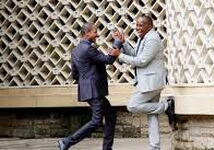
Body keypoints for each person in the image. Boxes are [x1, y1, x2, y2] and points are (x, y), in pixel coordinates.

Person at [113, 14, 176, 150]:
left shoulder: (152, 39)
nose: (137, 28)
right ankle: (154, 146)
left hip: (151, 82)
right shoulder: (145, 37)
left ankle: (166, 106)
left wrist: (120, 55)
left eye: (140, 25)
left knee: (133, 105)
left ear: (150, 25)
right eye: (136, 25)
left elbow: (142, 61)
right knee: (152, 114)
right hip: (149, 81)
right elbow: (136, 55)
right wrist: (123, 43)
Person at [57, 22, 120, 150]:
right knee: (96, 120)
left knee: (111, 115)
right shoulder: (88, 49)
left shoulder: (75, 50)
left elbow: (75, 73)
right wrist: (117, 43)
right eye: (95, 32)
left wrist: (85, 84)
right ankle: (67, 142)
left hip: (89, 90)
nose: (97, 34)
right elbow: (108, 60)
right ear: (86, 33)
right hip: (94, 90)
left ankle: (107, 148)